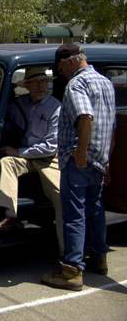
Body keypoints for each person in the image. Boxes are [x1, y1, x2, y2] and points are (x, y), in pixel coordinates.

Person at [42, 43, 116, 291]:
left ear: (71, 62)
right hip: (100, 158)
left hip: (79, 160)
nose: (60, 72)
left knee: (74, 215)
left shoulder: (77, 84)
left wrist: (80, 154)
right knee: (95, 209)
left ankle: (71, 270)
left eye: (61, 67)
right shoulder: (105, 82)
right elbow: (112, 124)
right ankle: (99, 257)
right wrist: (107, 159)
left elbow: (85, 117)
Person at [0, 66, 64, 254]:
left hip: (48, 159)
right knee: (6, 162)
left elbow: (50, 146)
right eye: (35, 82)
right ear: (28, 85)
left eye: (44, 82)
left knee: (61, 197)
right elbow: (5, 111)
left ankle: (69, 253)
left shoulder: (55, 107)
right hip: (27, 155)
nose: (40, 87)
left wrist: (18, 151)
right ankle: (10, 215)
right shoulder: (21, 104)